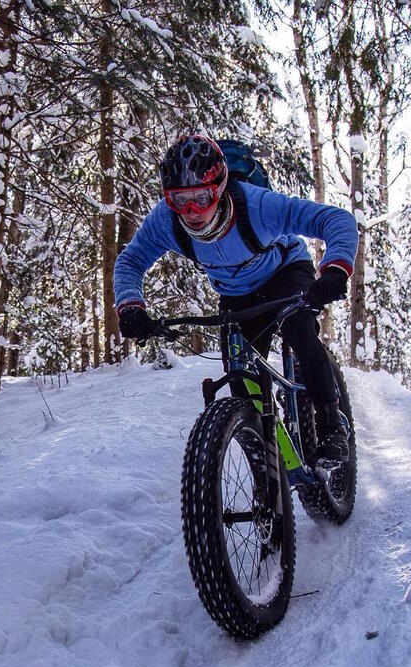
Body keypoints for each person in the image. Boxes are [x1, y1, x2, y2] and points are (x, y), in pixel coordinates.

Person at [113, 133, 358, 466]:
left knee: (299, 331)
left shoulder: (257, 206)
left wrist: (335, 269)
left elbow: (334, 219)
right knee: (243, 385)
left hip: (285, 271)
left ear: (220, 188)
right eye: (179, 200)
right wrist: (130, 306)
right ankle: (268, 466)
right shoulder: (167, 222)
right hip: (235, 294)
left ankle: (332, 423)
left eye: (202, 197)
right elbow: (131, 260)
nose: (191, 211)